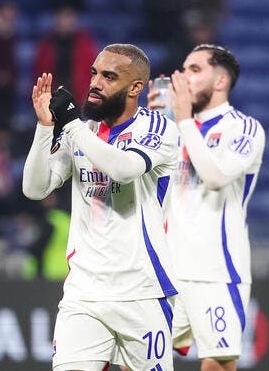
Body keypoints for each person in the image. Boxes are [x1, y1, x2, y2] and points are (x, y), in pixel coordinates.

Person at [22, 44, 179, 371]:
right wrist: (44, 127)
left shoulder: (157, 128)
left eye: (109, 76)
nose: (95, 82)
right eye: (94, 73)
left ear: (136, 87)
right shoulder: (81, 131)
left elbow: (123, 168)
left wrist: (71, 125)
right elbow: (35, 188)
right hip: (84, 293)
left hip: (142, 291)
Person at [149, 44, 265, 371]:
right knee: (138, 359)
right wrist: (150, 123)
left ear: (220, 82)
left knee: (217, 364)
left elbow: (215, 176)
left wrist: (183, 121)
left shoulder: (243, 128)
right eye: (183, 69)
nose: (184, 77)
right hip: (167, 269)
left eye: (195, 70)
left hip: (215, 271)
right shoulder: (172, 129)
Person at [33, 6, 99, 101]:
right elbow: (39, 70)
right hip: (53, 95)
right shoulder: (46, 44)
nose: (65, 22)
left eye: (68, 17)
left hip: (79, 95)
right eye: (62, 17)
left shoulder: (85, 43)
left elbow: (92, 70)